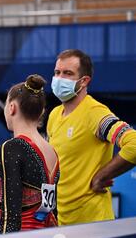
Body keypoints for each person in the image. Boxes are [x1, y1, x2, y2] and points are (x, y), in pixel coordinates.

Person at [47, 49, 136, 226]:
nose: (59, 78)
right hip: (62, 222)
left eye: (68, 73)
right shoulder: (54, 115)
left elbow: (133, 143)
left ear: (84, 81)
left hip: (94, 224)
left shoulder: (95, 113)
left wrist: (102, 176)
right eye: (57, 73)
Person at [0, 75, 59, 233]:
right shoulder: (52, 151)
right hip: (47, 237)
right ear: (41, 112)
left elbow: (11, 215)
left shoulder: (12, 147)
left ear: (11, 107)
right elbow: (51, 209)